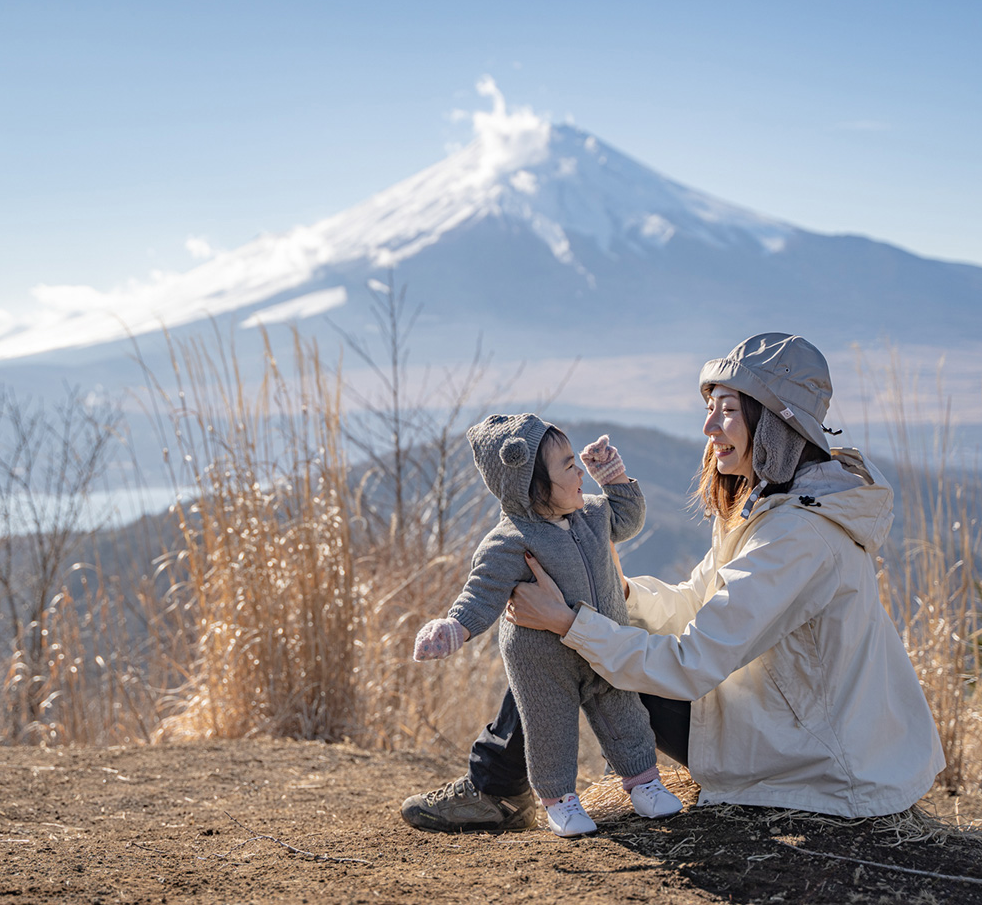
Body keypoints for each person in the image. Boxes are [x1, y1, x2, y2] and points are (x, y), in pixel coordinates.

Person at [401, 333, 944, 832]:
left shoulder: (797, 537)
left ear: (777, 423)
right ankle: (497, 785)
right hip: (785, 721)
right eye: (710, 409)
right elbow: (697, 600)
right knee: (580, 623)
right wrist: (619, 595)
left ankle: (493, 790)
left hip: (813, 756)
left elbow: (690, 663)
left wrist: (569, 621)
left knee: (561, 639)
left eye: (727, 412)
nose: (709, 428)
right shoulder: (778, 503)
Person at [410, 413, 684, 836]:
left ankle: (644, 784)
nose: (580, 473)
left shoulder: (593, 514)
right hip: (542, 661)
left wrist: (613, 477)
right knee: (549, 731)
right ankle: (561, 802)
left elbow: (628, 520)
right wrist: (454, 627)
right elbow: (482, 593)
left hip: (599, 644)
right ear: (533, 487)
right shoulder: (508, 541)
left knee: (625, 715)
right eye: (569, 466)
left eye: (578, 462)